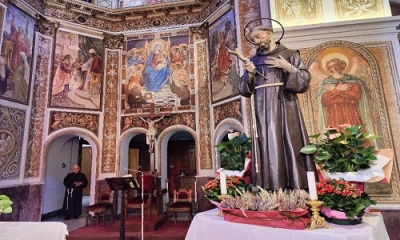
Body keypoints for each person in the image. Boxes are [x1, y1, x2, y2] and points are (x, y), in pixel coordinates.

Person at [238, 25, 316, 191]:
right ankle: (267, 187)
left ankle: (294, 186)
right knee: (266, 142)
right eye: (253, 40)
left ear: (269, 33)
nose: (256, 42)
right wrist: (250, 74)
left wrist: (288, 67)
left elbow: (304, 81)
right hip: (260, 108)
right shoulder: (252, 61)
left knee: (288, 140)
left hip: (284, 105)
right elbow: (244, 90)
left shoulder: (290, 55)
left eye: (258, 37)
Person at [317, 58, 370, 132]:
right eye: (331, 67)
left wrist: (337, 91)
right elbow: (325, 100)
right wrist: (338, 90)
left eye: (336, 65)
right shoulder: (327, 82)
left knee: (354, 135)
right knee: (337, 135)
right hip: (334, 112)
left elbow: (357, 95)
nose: (334, 68)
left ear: (341, 65)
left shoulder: (352, 79)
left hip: (350, 111)